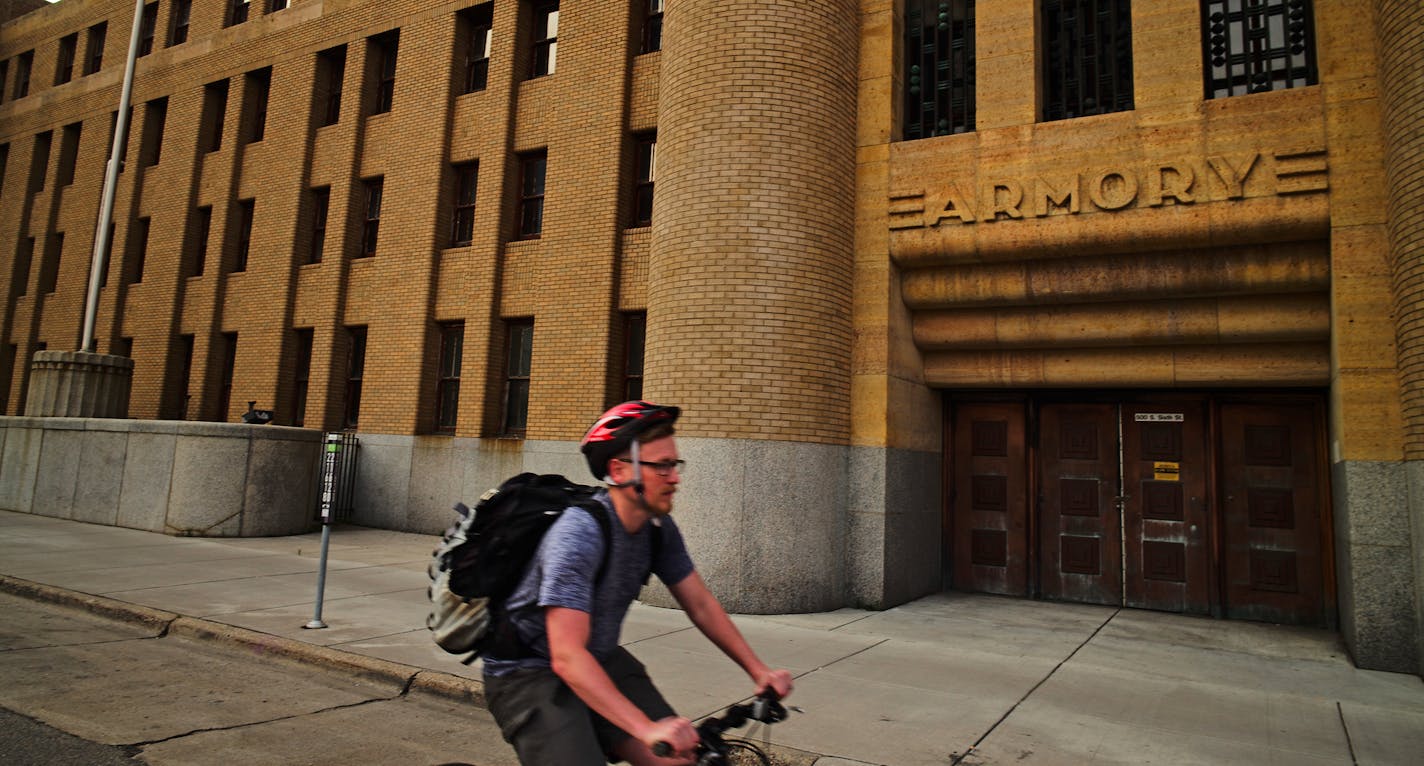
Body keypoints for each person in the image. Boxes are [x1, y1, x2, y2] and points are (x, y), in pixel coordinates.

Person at [481, 400, 795, 765]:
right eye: (662, 466)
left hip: (599, 657)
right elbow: (567, 656)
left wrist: (759, 670)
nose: (675, 477)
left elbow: (701, 604)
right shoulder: (578, 534)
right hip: (528, 671)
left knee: (680, 758)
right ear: (618, 469)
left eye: (675, 464)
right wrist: (645, 730)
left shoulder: (656, 528)